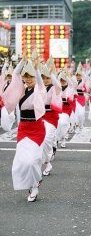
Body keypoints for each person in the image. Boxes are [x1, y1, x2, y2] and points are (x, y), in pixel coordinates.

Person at [2, 51, 46, 202]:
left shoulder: (40, 90)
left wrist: (36, 68)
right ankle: (33, 185)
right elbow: (15, 75)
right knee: (22, 161)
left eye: (31, 76)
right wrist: (23, 61)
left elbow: (40, 83)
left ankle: (36, 182)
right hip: (23, 129)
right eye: (26, 77)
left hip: (37, 129)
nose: (28, 79)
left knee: (33, 160)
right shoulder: (21, 90)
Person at [41, 59, 62, 176]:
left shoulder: (55, 88)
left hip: (51, 118)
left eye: (47, 78)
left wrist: (52, 72)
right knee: (41, 142)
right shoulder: (39, 87)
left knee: (47, 139)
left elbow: (58, 85)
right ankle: (48, 163)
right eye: (43, 78)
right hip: (39, 118)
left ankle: (48, 157)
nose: (45, 80)